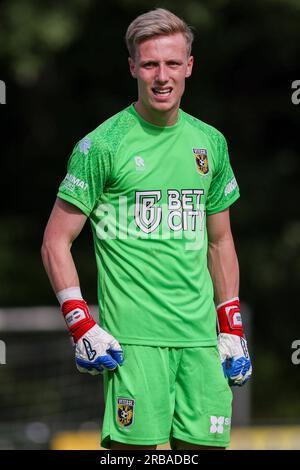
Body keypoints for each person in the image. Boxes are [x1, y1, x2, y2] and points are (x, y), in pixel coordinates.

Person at [41, 8, 252, 451]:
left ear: (189, 66)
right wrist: (81, 324)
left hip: (200, 343)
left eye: (173, 63)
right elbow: (55, 242)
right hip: (134, 343)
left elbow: (221, 241)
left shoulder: (210, 143)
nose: (162, 76)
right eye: (151, 64)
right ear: (133, 67)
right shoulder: (102, 145)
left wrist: (230, 326)